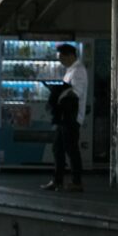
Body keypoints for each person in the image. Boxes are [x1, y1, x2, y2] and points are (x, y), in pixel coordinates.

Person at [46, 43, 89, 191]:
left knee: (71, 150)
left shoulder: (79, 71)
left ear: (70, 56)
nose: (60, 61)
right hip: (64, 117)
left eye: (62, 58)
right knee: (57, 148)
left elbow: (76, 92)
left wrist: (60, 95)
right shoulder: (70, 70)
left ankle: (77, 182)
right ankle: (57, 180)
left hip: (72, 118)